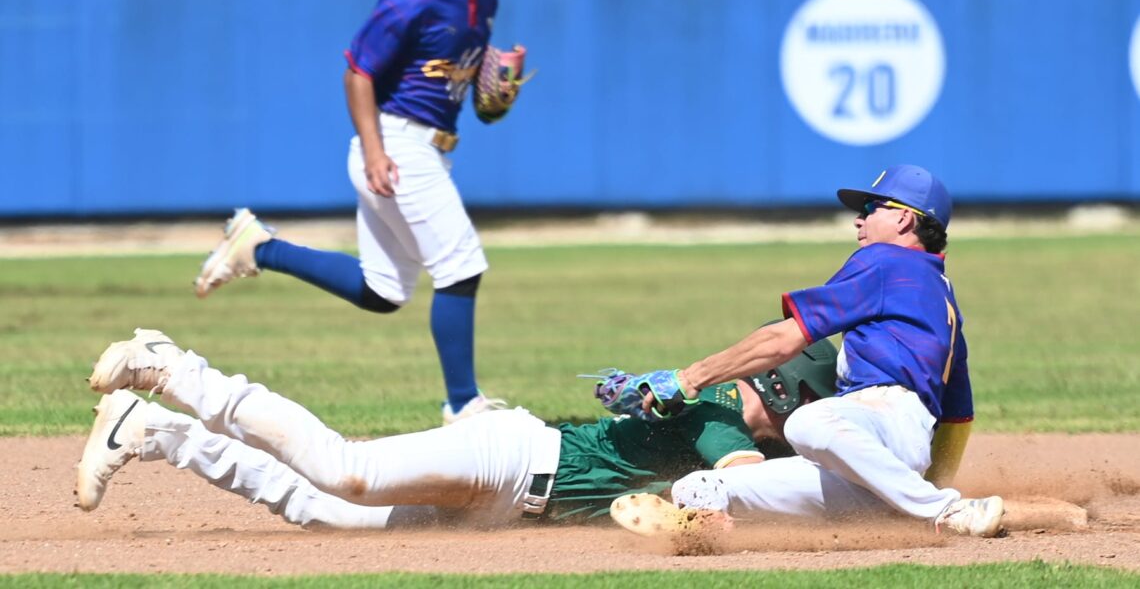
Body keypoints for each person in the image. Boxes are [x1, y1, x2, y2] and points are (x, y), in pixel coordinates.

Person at [191, 0, 525, 424]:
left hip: (431, 148)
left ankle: (259, 247)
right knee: (461, 264)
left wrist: (496, 88)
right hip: (395, 144)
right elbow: (359, 72)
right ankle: (464, 405)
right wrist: (374, 151)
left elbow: (475, 98)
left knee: (383, 290)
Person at [74, 328, 838, 529]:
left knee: (326, 512)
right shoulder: (716, 415)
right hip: (510, 459)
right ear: (780, 389)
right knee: (349, 472)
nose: (788, 433)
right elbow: (741, 475)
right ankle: (172, 369)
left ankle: (154, 432)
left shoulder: (700, 407)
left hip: (513, 506)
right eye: (792, 414)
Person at [613, 164, 1005, 538]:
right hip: (879, 464)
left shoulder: (887, 261)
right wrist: (913, 484)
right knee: (699, 488)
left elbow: (784, 339)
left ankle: (942, 510)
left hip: (884, 422)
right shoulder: (941, 295)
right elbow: (957, 418)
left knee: (806, 423)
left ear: (904, 219)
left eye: (870, 209)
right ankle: (718, 538)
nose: (859, 220)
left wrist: (688, 378)